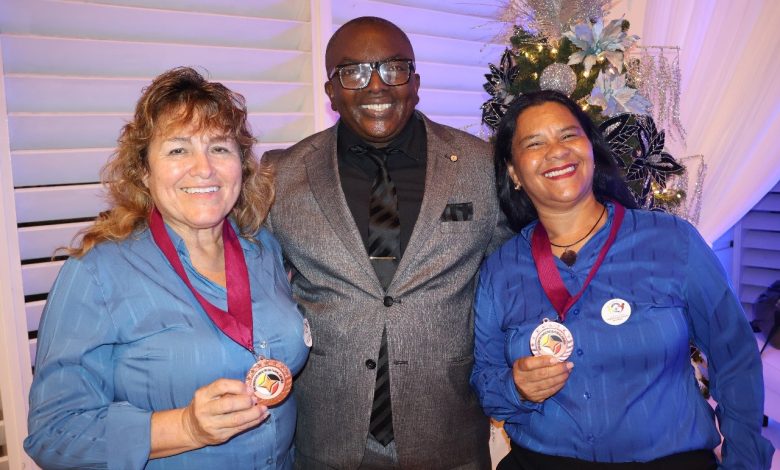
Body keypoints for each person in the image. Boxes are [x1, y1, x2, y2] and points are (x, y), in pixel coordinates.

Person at [471, 89, 774, 469]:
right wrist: (515, 388)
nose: (557, 151)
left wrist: (745, 461)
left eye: (568, 135)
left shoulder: (671, 242)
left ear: (591, 149)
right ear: (514, 172)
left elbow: (736, 358)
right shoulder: (501, 270)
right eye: (535, 143)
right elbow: (485, 382)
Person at [23, 67, 309, 469]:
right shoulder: (96, 273)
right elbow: (53, 433)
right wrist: (186, 428)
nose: (204, 168)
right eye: (178, 150)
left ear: (241, 165)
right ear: (144, 170)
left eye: (220, 148)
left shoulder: (263, 250)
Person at [263, 16, 511, 469]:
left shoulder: (480, 165)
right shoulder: (282, 175)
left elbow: (512, 279)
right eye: (353, 72)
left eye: (393, 68)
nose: (376, 85)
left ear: (415, 82)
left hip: (448, 432)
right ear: (330, 91)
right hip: (328, 437)